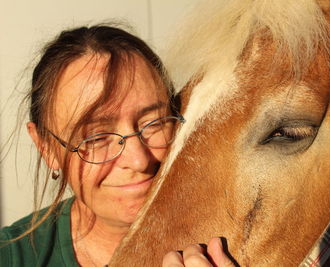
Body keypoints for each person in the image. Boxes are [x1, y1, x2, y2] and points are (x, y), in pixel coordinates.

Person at [0, 25, 233, 266]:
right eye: (97, 138)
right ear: (46, 148)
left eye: (153, 123)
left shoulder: (234, 239)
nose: (138, 160)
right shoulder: (11, 257)